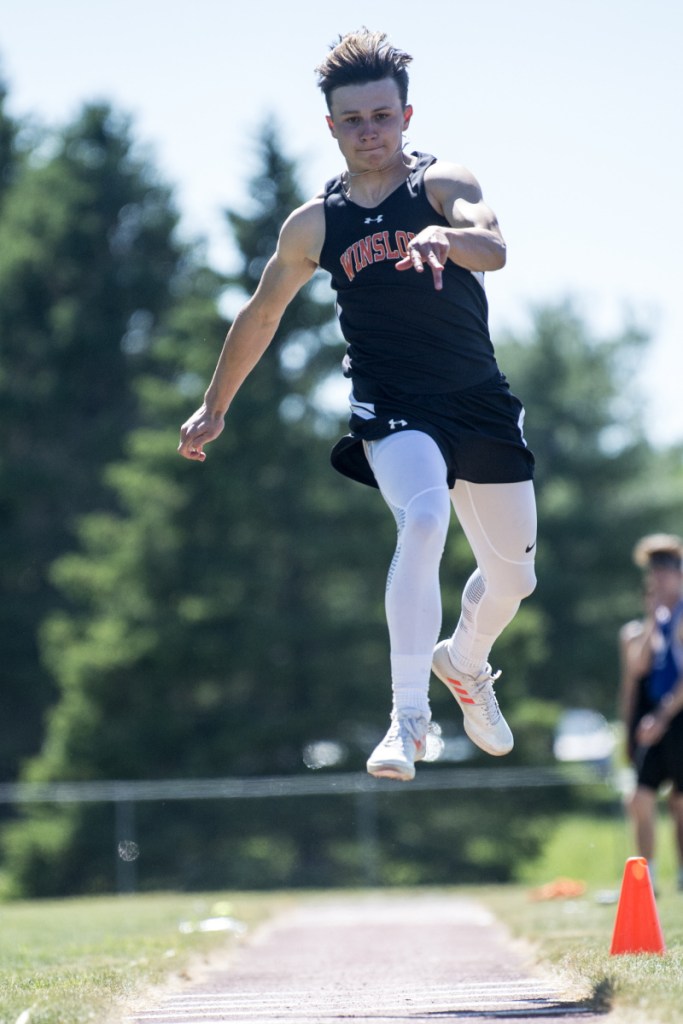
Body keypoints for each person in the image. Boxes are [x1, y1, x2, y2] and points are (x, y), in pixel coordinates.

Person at [178, 29, 537, 782]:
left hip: (477, 402)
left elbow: (494, 246)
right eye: (353, 120)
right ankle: (407, 719)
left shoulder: (442, 183)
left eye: (381, 116)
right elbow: (261, 312)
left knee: (512, 581)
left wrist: (445, 235)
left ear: (406, 117)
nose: (368, 131)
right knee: (425, 515)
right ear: (331, 127)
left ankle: (463, 663)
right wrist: (216, 404)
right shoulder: (316, 223)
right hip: (391, 404)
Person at [618, 533, 683, 890]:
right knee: (640, 800)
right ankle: (648, 878)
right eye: (654, 571)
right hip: (650, 722)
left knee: (679, 804)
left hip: (675, 718)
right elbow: (635, 673)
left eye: (667, 570)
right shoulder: (642, 629)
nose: (658, 578)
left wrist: (663, 717)